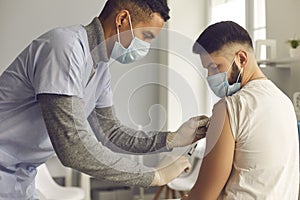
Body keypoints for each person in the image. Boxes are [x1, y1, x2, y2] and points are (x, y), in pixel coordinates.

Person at [0, 0, 209, 199]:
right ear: (122, 20)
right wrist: (155, 175)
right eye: (146, 36)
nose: (146, 46)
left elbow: (111, 133)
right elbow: (73, 147)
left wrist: (172, 138)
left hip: (20, 180)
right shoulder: (65, 47)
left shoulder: (100, 69)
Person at [184, 21, 299, 199]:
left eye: (215, 67)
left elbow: (203, 196)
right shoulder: (285, 102)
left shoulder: (230, 107)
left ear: (242, 59)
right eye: (207, 69)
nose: (210, 77)